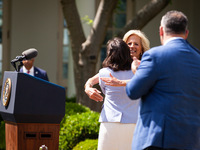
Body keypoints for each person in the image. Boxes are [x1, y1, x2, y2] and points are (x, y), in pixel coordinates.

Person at [125, 10, 200, 150]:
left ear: (161, 31)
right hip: (192, 140)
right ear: (186, 33)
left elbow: (132, 91)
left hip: (157, 140)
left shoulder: (154, 55)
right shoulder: (198, 58)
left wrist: (137, 70)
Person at [97, 37, 139, 150]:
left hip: (109, 122)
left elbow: (104, 90)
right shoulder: (137, 73)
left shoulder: (103, 73)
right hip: (133, 122)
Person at [84, 30, 150, 102]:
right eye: (129, 43)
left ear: (142, 49)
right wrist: (88, 88)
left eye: (136, 44)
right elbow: (91, 80)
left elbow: (145, 82)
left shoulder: (146, 66)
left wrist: (120, 82)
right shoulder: (117, 67)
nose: (132, 46)